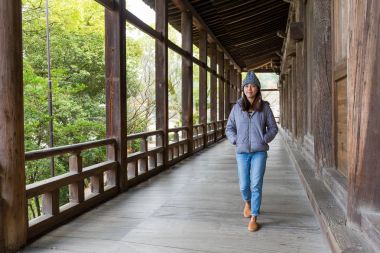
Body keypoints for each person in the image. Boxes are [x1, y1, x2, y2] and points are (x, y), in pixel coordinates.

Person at [225, 71, 278, 232]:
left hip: (259, 152)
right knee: (244, 186)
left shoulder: (265, 108)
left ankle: (254, 216)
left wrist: (264, 139)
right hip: (241, 152)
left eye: (253, 86)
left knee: (256, 184)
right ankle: (247, 203)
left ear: (257, 88)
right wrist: (235, 140)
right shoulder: (236, 108)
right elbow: (229, 128)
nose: (249, 89)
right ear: (243, 88)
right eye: (246, 86)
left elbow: (273, 128)